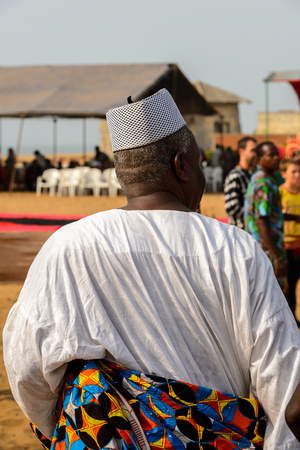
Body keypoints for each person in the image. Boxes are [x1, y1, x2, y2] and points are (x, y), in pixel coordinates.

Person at [3, 90, 300, 449]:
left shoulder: (68, 247)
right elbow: (286, 391)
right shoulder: (235, 249)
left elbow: (27, 372)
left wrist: (74, 428)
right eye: (200, 165)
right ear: (182, 166)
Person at [279, 159, 300, 320]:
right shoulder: (279, 193)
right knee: (289, 285)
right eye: (293, 172)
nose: (297, 175)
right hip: (286, 246)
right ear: (284, 174)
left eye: (299, 172)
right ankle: (291, 318)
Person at [224, 137, 257, 229]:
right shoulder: (235, 175)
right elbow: (231, 207)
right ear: (241, 151)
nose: (256, 154)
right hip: (241, 232)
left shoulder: (255, 174)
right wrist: (257, 214)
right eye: (252, 150)